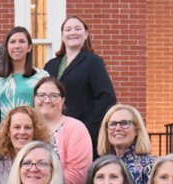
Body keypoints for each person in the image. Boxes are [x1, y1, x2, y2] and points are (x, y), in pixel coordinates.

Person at [43, 16, 118, 154]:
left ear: (86, 34)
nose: (73, 32)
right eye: (68, 29)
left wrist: (88, 128)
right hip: (53, 133)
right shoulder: (51, 65)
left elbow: (108, 98)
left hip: (82, 132)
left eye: (78, 29)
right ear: (62, 35)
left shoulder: (93, 62)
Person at [34, 77, 92, 184]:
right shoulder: (26, 129)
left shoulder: (76, 128)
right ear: (34, 99)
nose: (47, 100)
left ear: (62, 100)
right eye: (41, 95)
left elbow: (77, 175)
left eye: (53, 95)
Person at [0, 27, 50, 117]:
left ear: (29, 47)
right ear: (7, 47)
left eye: (22, 41)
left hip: (31, 129)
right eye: (12, 42)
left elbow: (47, 109)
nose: (17, 46)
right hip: (0, 130)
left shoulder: (42, 77)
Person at [98, 104, 156, 184]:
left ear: (137, 130)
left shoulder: (151, 165)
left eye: (125, 123)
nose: (117, 128)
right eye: (112, 124)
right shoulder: (99, 165)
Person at [0, 106, 50, 184]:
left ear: (35, 131)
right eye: (17, 127)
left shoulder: (48, 166)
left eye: (28, 127)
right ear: (8, 131)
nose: (22, 132)